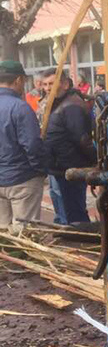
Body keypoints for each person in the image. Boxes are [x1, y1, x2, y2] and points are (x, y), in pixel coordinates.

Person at [41, 68, 96, 224]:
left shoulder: (72, 106)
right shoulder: (56, 103)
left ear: (65, 84)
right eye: (45, 84)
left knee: (73, 213)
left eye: (51, 83)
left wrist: (94, 159)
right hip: (56, 167)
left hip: (69, 168)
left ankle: (79, 238)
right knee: (61, 209)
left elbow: (82, 139)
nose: (47, 88)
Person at [0, 61, 48, 229]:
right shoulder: (21, 108)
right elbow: (33, 145)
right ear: (19, 80)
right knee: (25, 236)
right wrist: (40, 170)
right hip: (22, 180)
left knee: (4, 237)